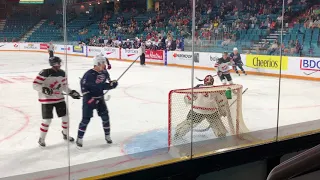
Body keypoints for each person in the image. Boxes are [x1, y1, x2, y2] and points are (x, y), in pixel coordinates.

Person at [33, 56, 81, 147]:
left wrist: (71, 92)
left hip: (59, 99)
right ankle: (41, 139)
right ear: (53, 64)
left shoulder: (62, 73)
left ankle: (65, 134)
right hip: (47, 100)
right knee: (47, 121)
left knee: (66, 118)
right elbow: (35, 84)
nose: (59, 65)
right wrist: (44, 89)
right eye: (58, 63)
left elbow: (63, 86)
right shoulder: (45, 72)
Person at [76, 55, 118, 148]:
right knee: (86, 119)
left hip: (100, 99)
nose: (104, 65)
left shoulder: (104, 73)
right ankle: (79, 138)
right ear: (97, 64)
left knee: (105, 117)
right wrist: (89, 99)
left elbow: (103, 86)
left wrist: (111, 85)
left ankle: (107, 135)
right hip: (89, 100)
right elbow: (83, 88)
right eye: (103, 63)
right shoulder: (88, 74)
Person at [174, 75, 228, 139]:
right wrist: (223, 111)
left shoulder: (198, 88)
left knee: (189, 123)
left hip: (197, 111)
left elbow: (188, 99)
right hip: (211, 111)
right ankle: (221, 136)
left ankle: (178, 134)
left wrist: (193, 91)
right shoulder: (216, 90)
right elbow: (221, 102)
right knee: (217, 124)